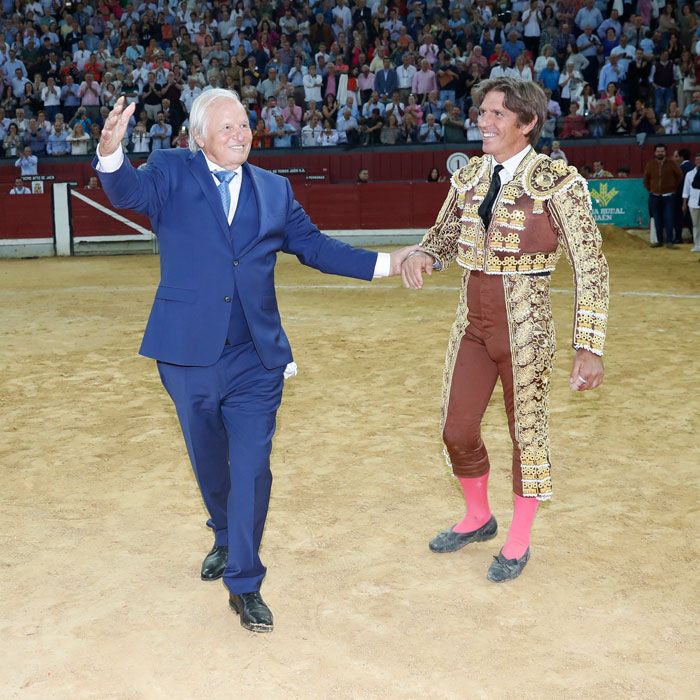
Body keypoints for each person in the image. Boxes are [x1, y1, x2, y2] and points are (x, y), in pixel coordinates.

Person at [93, 91, 419, 633]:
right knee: (208, 459)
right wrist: (110, 152)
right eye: (227, 127)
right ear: (199, 137)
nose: (241, 134)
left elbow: (316, 248)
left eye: (245, 124)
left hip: (255, 360)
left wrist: (388, 262)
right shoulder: (172, 170)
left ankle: (244, 583)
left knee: (250, 469)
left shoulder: (275, 189)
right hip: (186, 355)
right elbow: (126, 189)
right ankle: (223, 533)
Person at [401, 78, 609, 583]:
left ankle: (519, 538)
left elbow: (591, 265)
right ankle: (478, 516)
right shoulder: (470, 176)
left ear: (527, 122)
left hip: (528, 329)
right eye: (482, 112)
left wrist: (589, 345)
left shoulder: (559, 183)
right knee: (457, 429)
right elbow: (446, 235)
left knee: (528, 434)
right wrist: (427, 253)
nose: (483, 121)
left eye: (496, 114)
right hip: (473, 324)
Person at [643, 145, 683, 249]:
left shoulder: (671, 163)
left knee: (669, 218)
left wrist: (673, 187)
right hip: (655, 196)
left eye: (662, 151)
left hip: (668, 196)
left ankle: (669, 241)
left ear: (665, 152)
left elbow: (679, 176)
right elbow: (646, 179)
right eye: (658, 151)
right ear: (655, 153)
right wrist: (651, 189)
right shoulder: (650, 164)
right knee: (657, 219)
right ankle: (659, 241)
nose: (660, 153)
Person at [682, 152, 700, 253]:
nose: (698, 162)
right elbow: (686, 190)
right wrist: (684, 203)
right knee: (696, 225)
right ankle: (697, 244)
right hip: (693, 203)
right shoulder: (689, 174)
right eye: (697, 160)